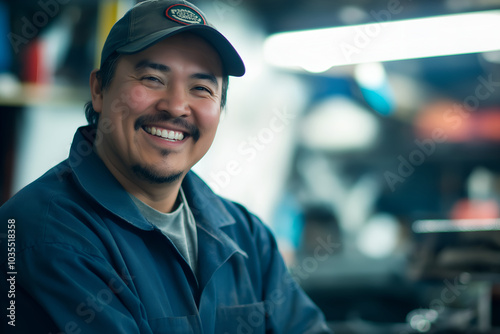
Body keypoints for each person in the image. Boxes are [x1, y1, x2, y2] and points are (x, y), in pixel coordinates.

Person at [0, 0, 331, 333]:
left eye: (201, 88)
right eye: (152, 78)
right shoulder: (44, 233)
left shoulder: (247, 237)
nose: (176, 106)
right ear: (99, 89)